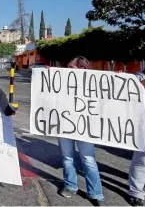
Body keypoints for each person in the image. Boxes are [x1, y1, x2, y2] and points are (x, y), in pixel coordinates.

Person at [54, 56, 104, 205]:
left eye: (71, 68)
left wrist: (119, 78)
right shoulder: (62, 81)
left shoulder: (95, 82)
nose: (67, 71)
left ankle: (95, 193)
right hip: (64, 124)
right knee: (67, 157)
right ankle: (70, 186)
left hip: (86, 127)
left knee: (88, 160)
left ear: (82, 69)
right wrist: (49, 76)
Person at [128, 66, 145, 206]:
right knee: (142, 161)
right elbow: (122, 89)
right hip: (144, 127)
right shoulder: (140, 78)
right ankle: (136, 193)